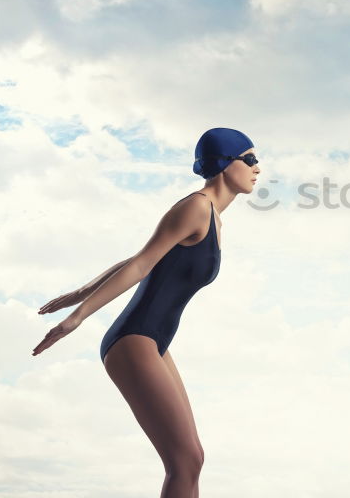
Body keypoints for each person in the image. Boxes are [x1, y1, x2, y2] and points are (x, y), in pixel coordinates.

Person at [32, 127, 260, 497]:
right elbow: (141, 265)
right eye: (249, 159)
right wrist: (78, 316)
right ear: (223, 163)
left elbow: (144, 258)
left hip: (154, 342)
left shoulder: (212, 216)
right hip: (134, 340)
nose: (257, 168)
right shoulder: (196, 207)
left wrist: (78, 292)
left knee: (193, 459)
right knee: (184, 461)